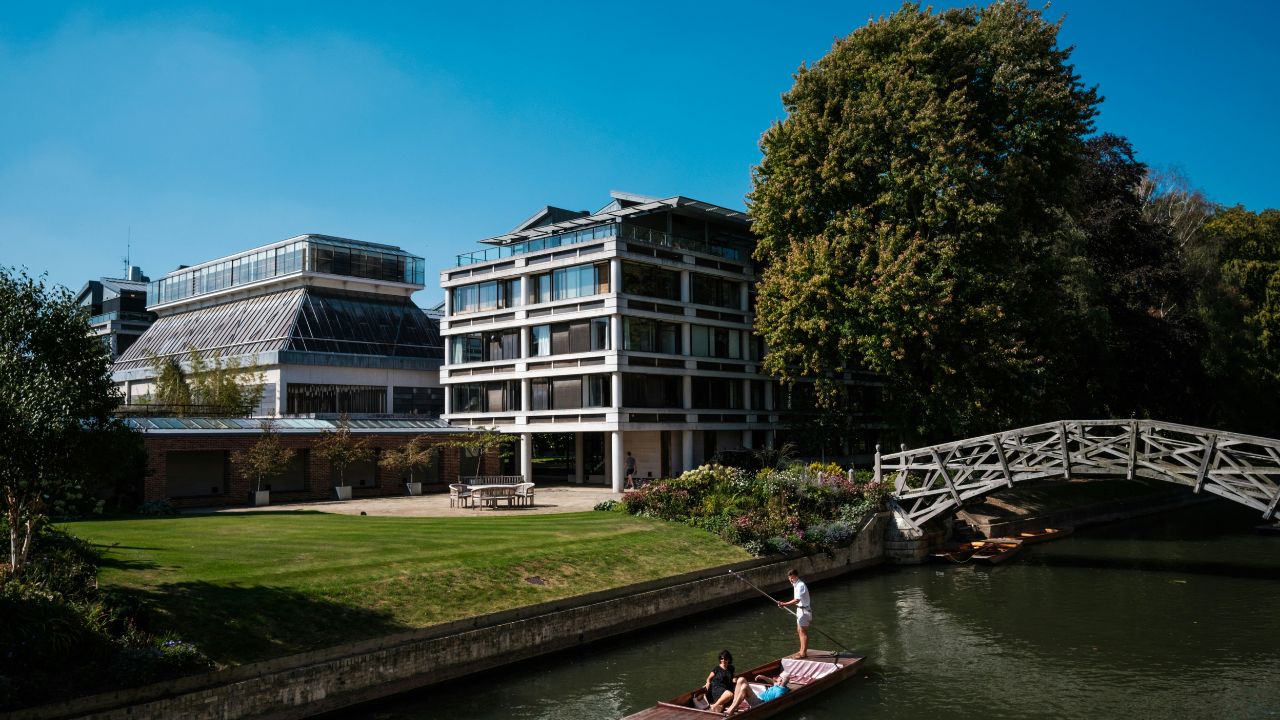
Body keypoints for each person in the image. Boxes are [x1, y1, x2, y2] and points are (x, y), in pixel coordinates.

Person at [723, 671, 791, 716]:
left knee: (744, 687)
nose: (778, 677)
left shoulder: (780, 692)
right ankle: (733, 706)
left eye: (779, 677)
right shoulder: (780, 685)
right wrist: (763, 677)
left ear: (781, 680)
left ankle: (731, 710)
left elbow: (774, 704)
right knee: (741, 679)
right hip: (758, 696)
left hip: (759, 703)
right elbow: (773, 682)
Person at [776, 569, 810, 658]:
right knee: (799, 631)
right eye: (789, 578)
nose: (791, 580)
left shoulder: (800, 585)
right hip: (800, 610)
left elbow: (796, 601)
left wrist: (784, 604)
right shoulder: (796, 585)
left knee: (803, 632)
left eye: (792, 578)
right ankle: (801, 651)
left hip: (804, 611)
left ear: (797, 577)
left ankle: (803, 653)